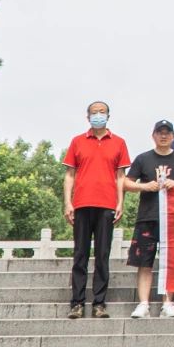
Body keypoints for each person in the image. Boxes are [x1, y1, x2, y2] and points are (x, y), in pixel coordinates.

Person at [62, 100, 129, 319]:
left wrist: (120, 202)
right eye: (94, 112)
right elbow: (69, 174)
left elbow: (120, 176)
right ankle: (77, 303)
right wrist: (68, 202)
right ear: (87, 116)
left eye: (102, 112)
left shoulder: (118, 142)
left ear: (108, 116)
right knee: (80, 254)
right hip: (82, 204)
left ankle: (99, 303)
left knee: (102, 255)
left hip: (107, 204)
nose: (98, 115)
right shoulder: (78, 141)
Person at [122, 120, 174, 319]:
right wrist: (145, 186)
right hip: (148, 216)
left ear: (173, 136)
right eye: (159, 132)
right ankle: (143, 303)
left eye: (167, 133)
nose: (163, 136)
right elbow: (126, 182)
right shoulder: (143, 158)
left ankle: (168, 303)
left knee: (171, 263)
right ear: (153, 135)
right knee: (144, 262)